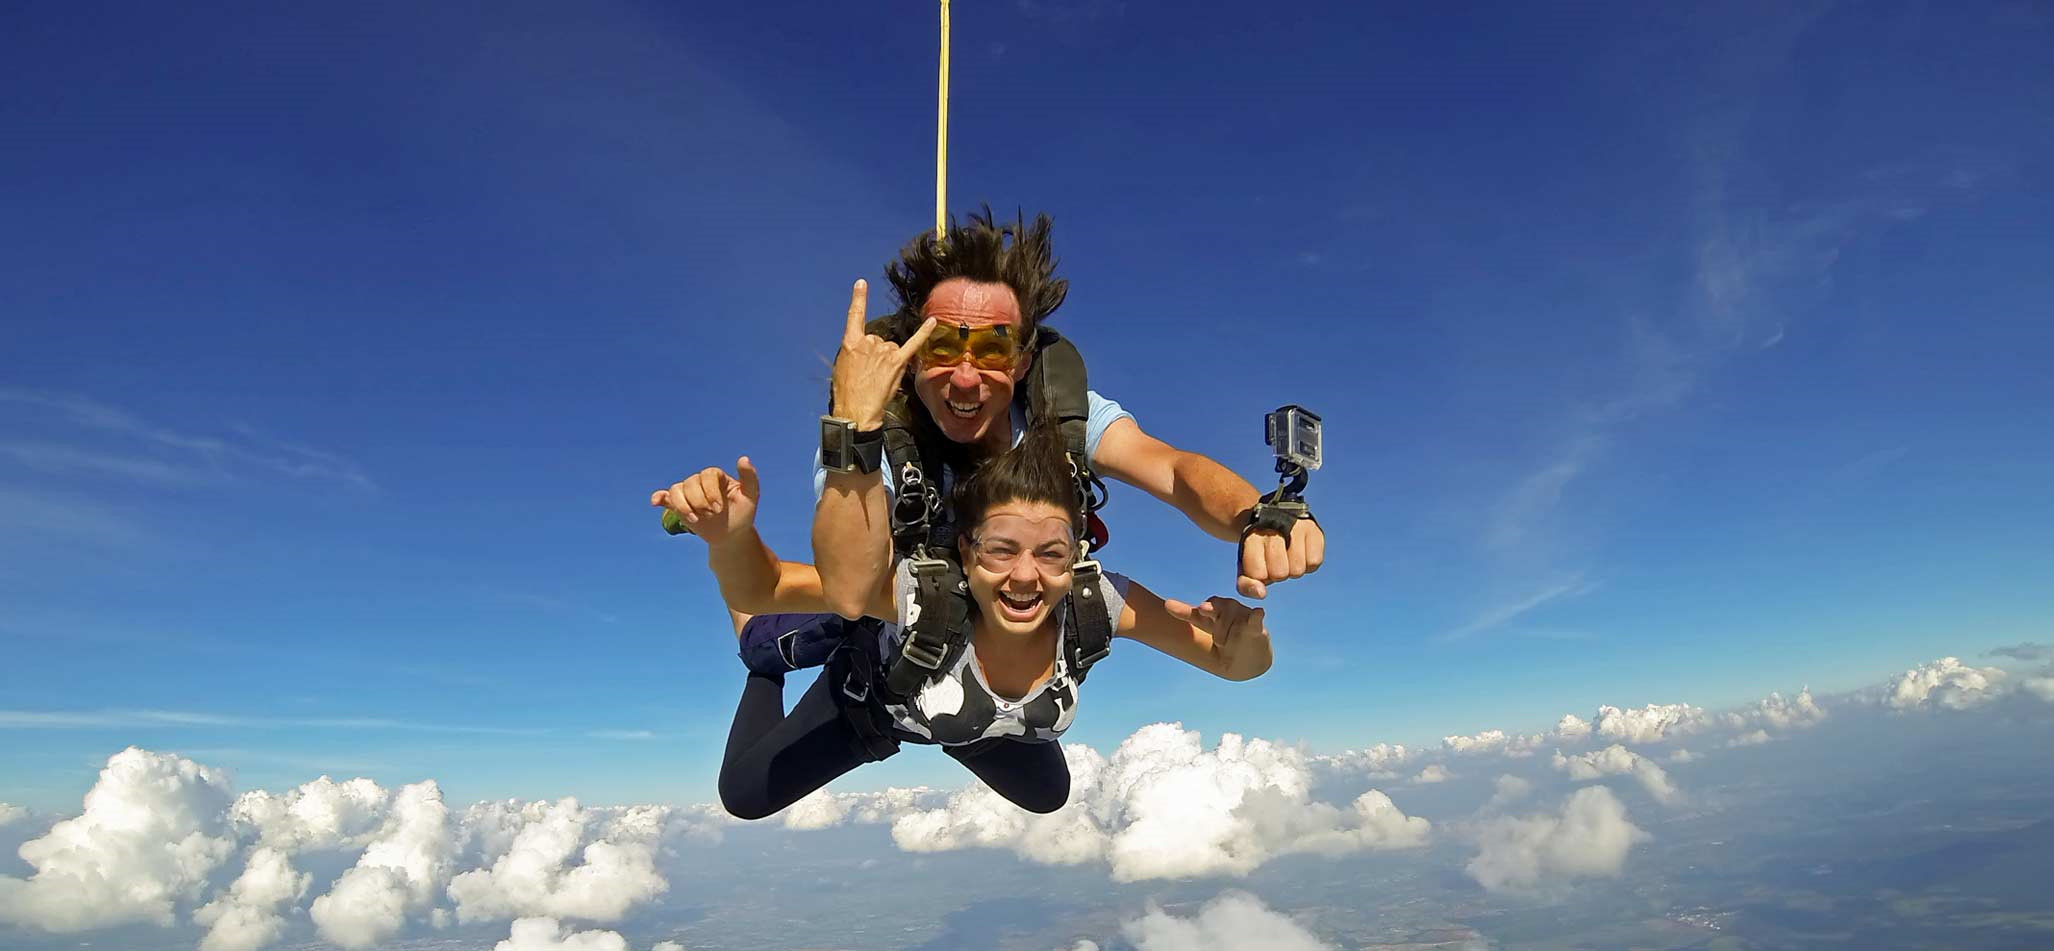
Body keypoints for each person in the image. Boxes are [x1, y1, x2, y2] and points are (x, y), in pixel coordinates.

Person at [657, 425, 1273, 821]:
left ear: (1076, 557)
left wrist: (1249, 642)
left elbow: (1233, 666)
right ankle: (772, 654)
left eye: (1051, 553)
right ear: (967, 555)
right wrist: (730, 539)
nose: (1026, 576)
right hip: (874, 694)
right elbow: (763, 587)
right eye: (1001, 550)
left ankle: (945, 707)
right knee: (745, 792)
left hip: (968, 718)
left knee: (1048, 795)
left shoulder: (1097, 602)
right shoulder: (922, 594)